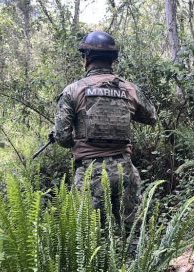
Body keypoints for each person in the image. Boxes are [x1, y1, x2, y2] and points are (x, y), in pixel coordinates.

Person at [52, 30, 157, 224]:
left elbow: (62, 137)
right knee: (131, 231)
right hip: (125, 171)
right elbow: (151, 117)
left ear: (87, 58)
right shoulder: (129, 89)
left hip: (90, 173)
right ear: (113, 59)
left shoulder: (73, 90)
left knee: (91, 234)